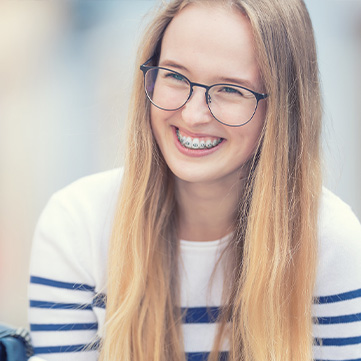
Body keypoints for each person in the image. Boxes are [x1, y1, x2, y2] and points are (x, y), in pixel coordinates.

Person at [28, 0, 361, 360]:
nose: (192, 114)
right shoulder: (76, 228)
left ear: (283, 109)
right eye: (174, 75)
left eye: (230, 89)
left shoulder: (329, 242)